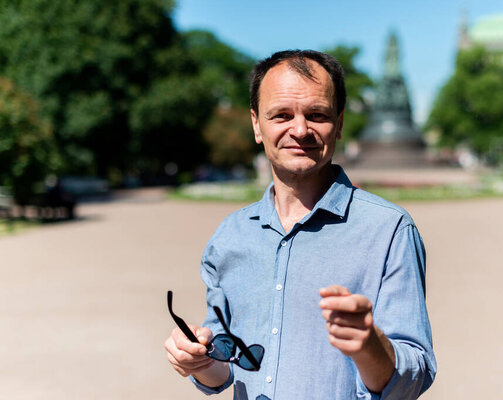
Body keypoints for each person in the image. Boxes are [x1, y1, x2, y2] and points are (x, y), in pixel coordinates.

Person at [164, 50, 436, 399]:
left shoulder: (391, 231)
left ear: (338, 124)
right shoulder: (230, 236)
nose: (300, 130)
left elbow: (415, 376)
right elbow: (226, 367)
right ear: (256, 125)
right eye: (281, 115)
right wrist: (199, 361)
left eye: (317, 114)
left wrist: (370, 347)